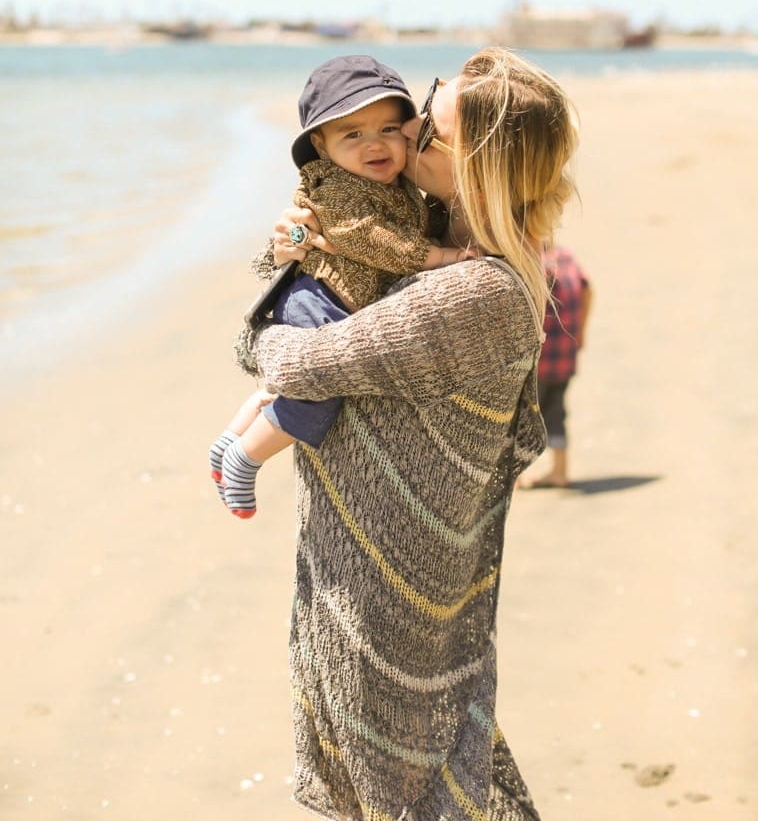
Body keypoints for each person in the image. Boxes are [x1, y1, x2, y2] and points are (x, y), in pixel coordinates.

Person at [246, 47, 578, 820]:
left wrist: (277, 315)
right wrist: (293, 251)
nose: (412, 130)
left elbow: (291, 357)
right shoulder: (437, 244)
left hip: (391, 604)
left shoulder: (479, 289)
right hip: (362, 572)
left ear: (480, 165)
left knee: (415, 795)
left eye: (429, 127)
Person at [209, 55, 474, 517]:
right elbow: (375, 241)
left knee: (295, 387)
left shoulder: (398, 187)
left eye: (389, 129)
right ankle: (246, 457)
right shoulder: (339, 190)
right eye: (353, 134)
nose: (375, 145)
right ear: (321, 144)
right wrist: (444, 257)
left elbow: (415, 224)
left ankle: (231, 440)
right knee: (317, 395)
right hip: (322, 299)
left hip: (336, 299)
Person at [516, 246, 592, 489]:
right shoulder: (566, 257)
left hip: (540, 361)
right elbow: (588, 290)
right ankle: (560, 471)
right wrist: (581, 330)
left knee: (520, 418)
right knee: (556, 411)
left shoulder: (527, 262)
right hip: (565, 355)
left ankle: (513, 478)